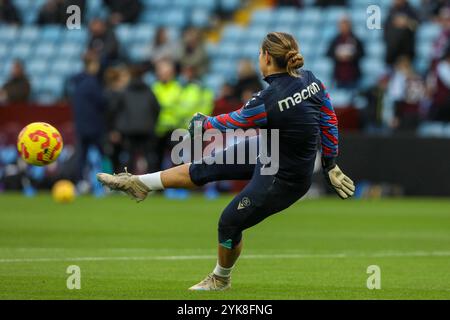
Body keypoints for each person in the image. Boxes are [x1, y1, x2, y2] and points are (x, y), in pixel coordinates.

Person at [97, 32, 355, 291]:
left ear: (266, 57)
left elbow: (238, 121)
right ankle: (138, 183)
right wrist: (330, 162)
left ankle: (221, 279)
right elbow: (329, 118)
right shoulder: (310, 79)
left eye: (259, 53)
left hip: (283, 177)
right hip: (270, 150)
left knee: (229, 223)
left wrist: (204, 123)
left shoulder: (269, 98)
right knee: (204, 167)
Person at [67, 53, 106, 182]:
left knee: (81, 157)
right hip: (94, 126)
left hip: (81, 126)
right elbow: (102, 103)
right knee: (102, 155)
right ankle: (108, 182)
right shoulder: (92, 82)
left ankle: (81, 182)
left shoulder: (76, 82)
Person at [327, 16, 364, 89]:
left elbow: (362, 53)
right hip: (339, 75)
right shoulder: (335, 40)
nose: (344, 28)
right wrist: (338, 56)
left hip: (353, 75)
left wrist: (352, 56)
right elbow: (329, 53)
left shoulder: (355, 39)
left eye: (346, 25)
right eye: (342, 25)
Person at [384, 0, 419, 66]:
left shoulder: (411, 10)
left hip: (406, 51)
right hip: (393, 52)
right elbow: (386, 27)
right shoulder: (392, 10)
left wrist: (406, 22)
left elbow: (416, 25)